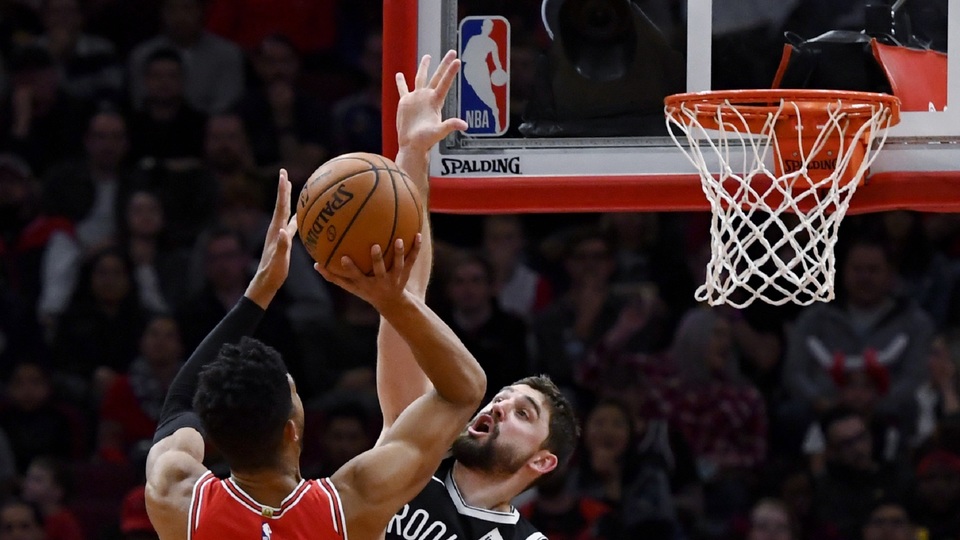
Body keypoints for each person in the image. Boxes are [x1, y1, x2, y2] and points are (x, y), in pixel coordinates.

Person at [143, 171, 486, 540]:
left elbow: (179, 404)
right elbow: (463, 388)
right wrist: (392, 301)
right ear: (291, 430)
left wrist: (257, 294)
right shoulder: (351, 505)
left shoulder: (176, 498)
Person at [377, 51, 579, 540]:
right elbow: (407, 303)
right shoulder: (415, 457)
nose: (498, 407)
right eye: (504, 399)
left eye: (522, 414)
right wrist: (413, 156)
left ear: (542, 459)